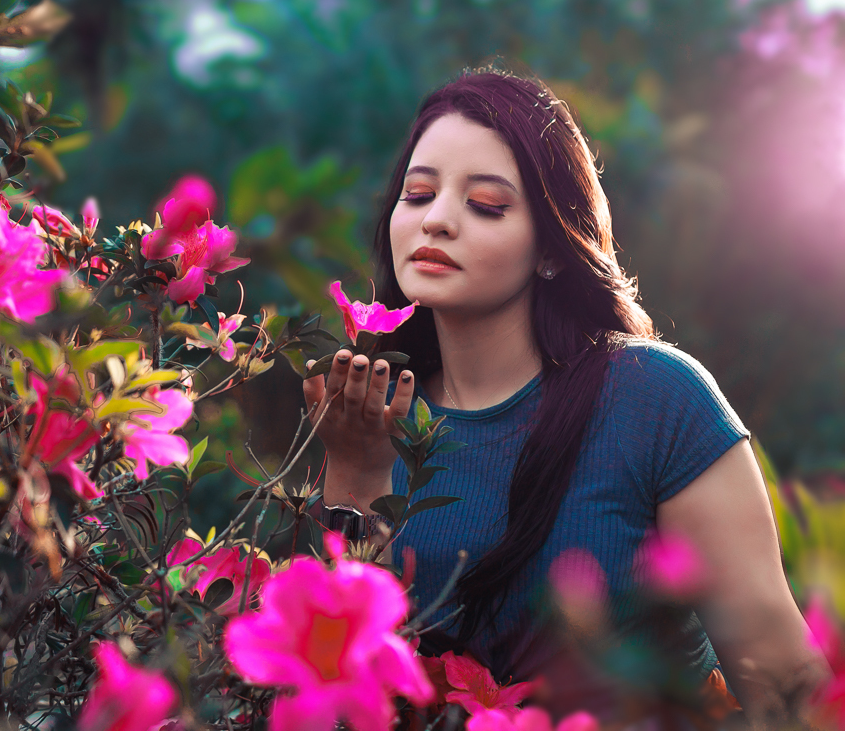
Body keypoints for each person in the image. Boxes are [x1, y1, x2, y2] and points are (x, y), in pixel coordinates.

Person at [303, 70, 830, 727]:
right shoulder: (369, 416)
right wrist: (355, 480)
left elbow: (786, 684)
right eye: (418, 193)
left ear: (553, 250)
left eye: (487, 204)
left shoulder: (655, 399)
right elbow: (342, 690)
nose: (436, 219)